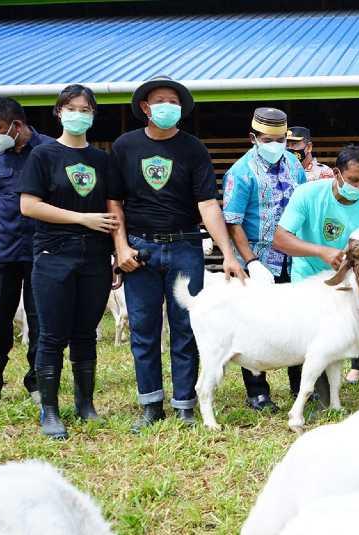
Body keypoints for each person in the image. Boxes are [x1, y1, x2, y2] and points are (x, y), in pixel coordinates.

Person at [108, 76, 246, 432]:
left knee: (186, 328)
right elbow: (114, 202)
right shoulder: (125, 146)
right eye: (160, 101)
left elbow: (208, 204)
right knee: (143, 328)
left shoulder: (193, 148)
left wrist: (228, 254)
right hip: (140, 247)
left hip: (185, 245)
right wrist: (120, 246)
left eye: (174, 101)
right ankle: (150, 405)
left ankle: (185, 403)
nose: (167, 106)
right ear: (145, 108)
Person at [18, 84, 118, 439]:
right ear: (59, 112)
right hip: (53, 255)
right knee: (51, 335)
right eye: (72, 107)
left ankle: (85, 404)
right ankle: (49, 410)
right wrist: (82, 219)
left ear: (93, 115)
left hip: (94, 257)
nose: (79, 114)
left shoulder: (102, 160)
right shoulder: (43, 156)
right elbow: (29, 206)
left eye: (86, 109)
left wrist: (117, 253)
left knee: (85, 333)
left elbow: (113, 209)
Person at [273, 146, 359, 402]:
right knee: (313, 338)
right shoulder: (308, 194)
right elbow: (280, 239)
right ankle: (319, 400)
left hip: (347, 283)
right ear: (337, 173)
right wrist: (321, 251)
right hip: (308, 279)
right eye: (354, 179)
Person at [222, 107, 308, 411]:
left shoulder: (294, 165)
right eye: (267, 139)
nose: (275, 144)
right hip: (257, 260)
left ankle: (301, 386)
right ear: (253, 138)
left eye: (280, 138)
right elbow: (233, 222)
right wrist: (251, 261)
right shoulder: (240, 172)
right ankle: (257, 391)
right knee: (257, 324)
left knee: (296, 321)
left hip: (293, 257)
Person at [0, 96, 49, 408]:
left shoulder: (49, 151)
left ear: (17, 125)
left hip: (41, 249)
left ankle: (39, 382)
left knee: (41, 321)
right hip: (1, 251)